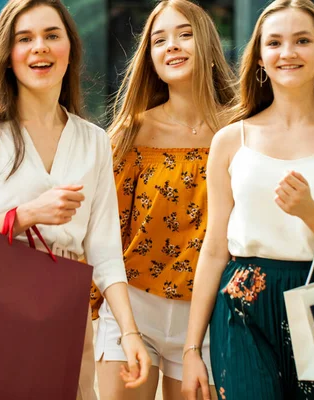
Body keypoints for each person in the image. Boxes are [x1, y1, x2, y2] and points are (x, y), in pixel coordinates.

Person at [0, 0, 151, 398]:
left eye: (52, 35)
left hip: (66, 315)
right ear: (8, 55)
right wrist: (26, 215)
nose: (40, 47)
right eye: (25, 38)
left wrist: (129, 332)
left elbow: (104, 251)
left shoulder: (93, 140)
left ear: (70, 48)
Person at [181, 0, 314, 399]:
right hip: (243, 303)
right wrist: (191, 348)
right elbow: (214, 248)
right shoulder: (230, 140)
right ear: (259, 57)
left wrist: (310, 212)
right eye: (274, 42)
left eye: (302, 40)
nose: (287, 52)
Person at [93, 1, 235, 399]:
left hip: (210, 315)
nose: (172, 46)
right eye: (160, 40)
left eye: (185, 34)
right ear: (151, 58)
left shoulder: (243, 130)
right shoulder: (131, 132)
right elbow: (106, 231)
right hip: (133, 309)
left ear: (208, 45)